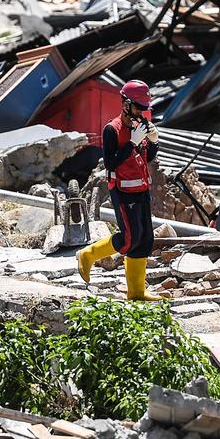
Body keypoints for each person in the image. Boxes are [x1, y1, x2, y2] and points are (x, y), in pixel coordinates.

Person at [77, 79, 163, 301]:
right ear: (125, 104)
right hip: (123, 190)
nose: (142, 113)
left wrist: (154, 141)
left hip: (141, 189)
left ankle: (136, 293)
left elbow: (148, 157)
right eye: (138, 107)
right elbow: (111, 163)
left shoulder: (138, 127)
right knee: (128, 240)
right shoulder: (111, 129)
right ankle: (87, 255)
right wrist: (132, 143)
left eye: (144, 109)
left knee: (144, 239)